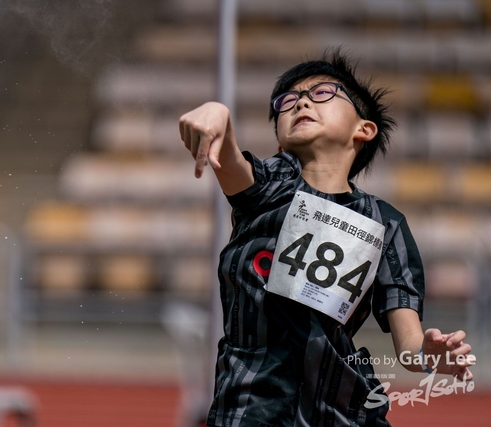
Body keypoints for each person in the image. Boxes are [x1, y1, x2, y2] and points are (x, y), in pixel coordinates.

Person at [178, 50, 475, 427]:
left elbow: (410, 346)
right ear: (281, 143)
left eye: (322, 93)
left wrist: (430, 356)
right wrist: (218, 114)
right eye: (287, 101)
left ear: (363, 129)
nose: (300, 100)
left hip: (343, 412)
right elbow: (231, 161)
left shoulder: (386, 224)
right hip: (251, 405)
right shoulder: (268, 186)